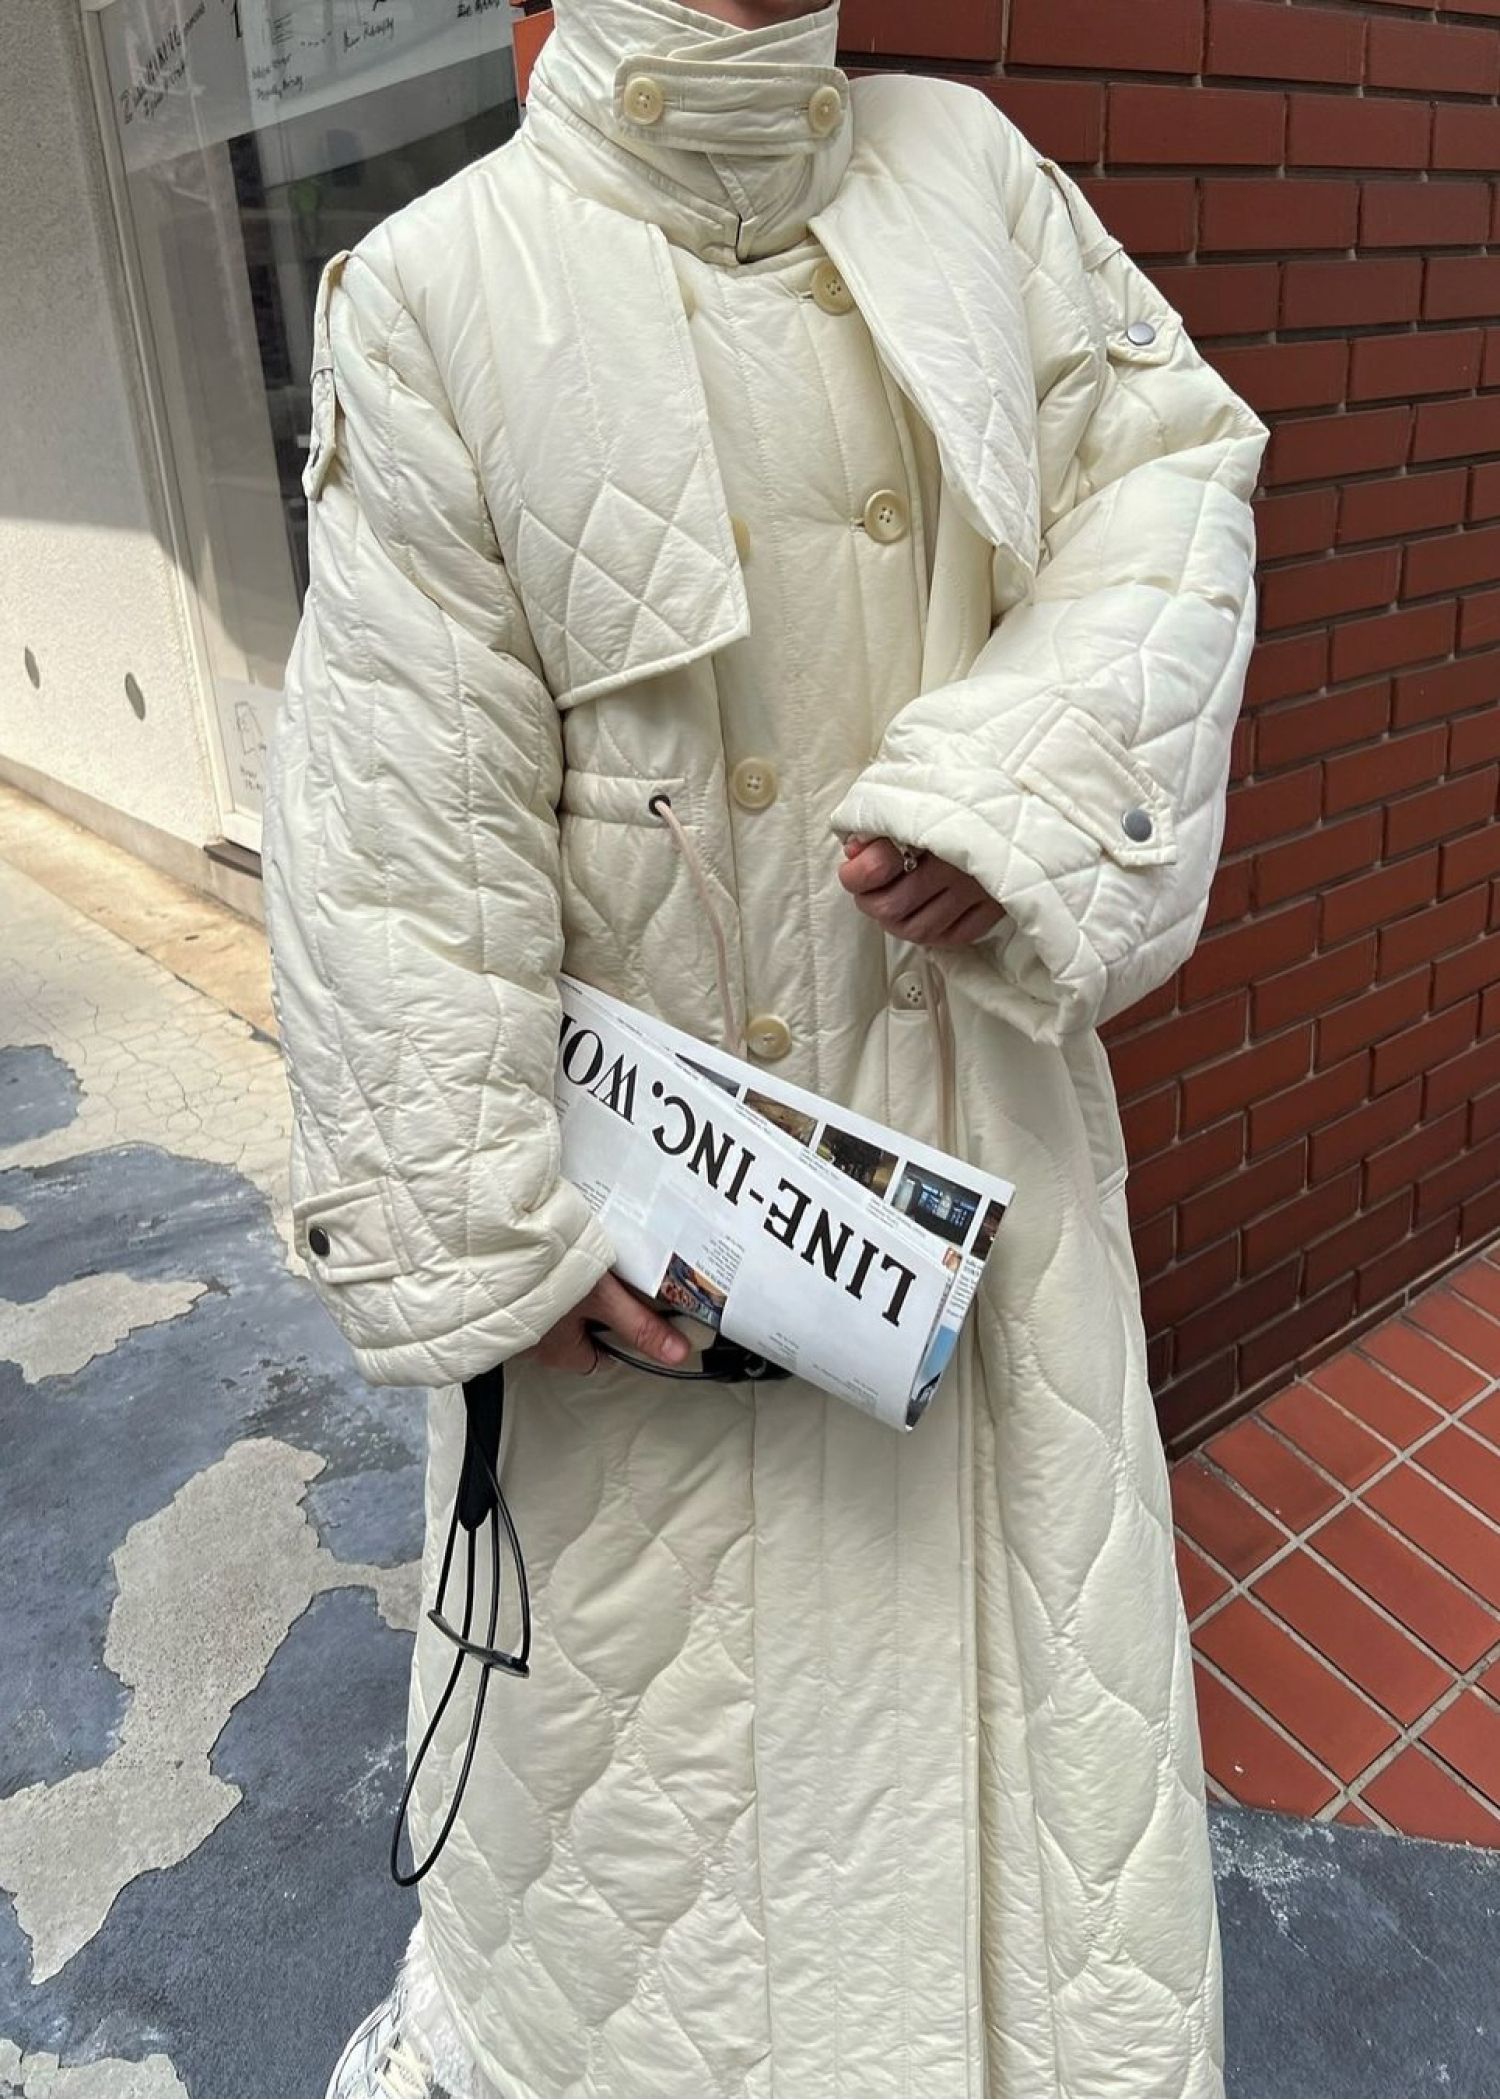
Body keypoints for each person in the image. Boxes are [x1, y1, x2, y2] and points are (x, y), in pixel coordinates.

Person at [260, 0, 1270, 2092]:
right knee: (664, 1881)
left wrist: (1020, 786)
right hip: (654, 1257)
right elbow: (396, 826)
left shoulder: (968, 170)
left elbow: (1171, 467)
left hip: (972, 1185)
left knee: (1037, 1834)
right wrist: (482, 1224)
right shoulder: (443, 286)